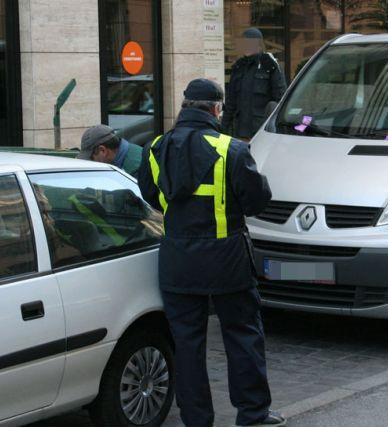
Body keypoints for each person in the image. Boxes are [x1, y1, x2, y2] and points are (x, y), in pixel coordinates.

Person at [137, 79, 284, 427]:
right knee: (243, 336)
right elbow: (258, 200)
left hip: (178, 263)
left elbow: (150, 197)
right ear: (217, 109)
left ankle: (196, 420)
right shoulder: (231, 149)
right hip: (227, 262)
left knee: (187, 346)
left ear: (185, 106)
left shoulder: (156, 148)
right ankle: (252, 414)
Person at [222, 27, 286, 140]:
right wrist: (223, 129)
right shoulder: (238, 67)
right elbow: (230, 103)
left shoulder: (269, 66)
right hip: (239, 132)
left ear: (259, 45)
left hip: (261, 132)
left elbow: (280, 99)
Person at [77, 124, 143, 177]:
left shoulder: (134, 170)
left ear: (102, 150)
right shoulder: (128, 154)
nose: (91, 163)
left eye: (91, 159)